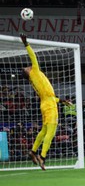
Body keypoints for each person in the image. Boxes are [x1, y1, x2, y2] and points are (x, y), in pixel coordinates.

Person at [20, 34, 71, 170]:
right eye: (26, 68)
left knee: (43, 131)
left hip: (46, 103)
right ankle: (42, 157)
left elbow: (49, 97)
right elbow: (33, 57)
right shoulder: (34, 72)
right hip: (49, 105)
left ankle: (33, 150)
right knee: (51, 132)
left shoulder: (33, 79)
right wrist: (26, 44)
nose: (28, 66)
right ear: (27, 72)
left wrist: (61, 100)